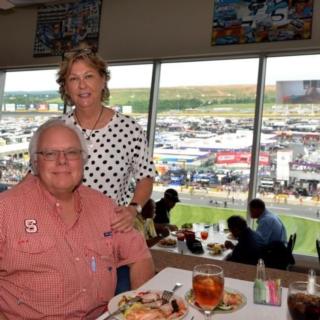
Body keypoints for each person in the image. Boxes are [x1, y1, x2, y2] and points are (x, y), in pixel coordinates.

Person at [0, 119, 154, 319]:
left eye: (72, 152)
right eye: (50, 153)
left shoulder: (103, 206)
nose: (62, 160)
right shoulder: (6, 210)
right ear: (35, 163)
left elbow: (140, 256)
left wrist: (139, 311)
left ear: (83, 160)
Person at [57, 47, 156, 232]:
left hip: (109, 231)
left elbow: (146, 177)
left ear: (103, 80)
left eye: (88, 76)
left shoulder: (130, 129)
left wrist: (134, 209)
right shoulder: (55, 129)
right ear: (66, 88)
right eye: (73, 79)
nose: (82, 85)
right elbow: (33, 177)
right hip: (60, 231)